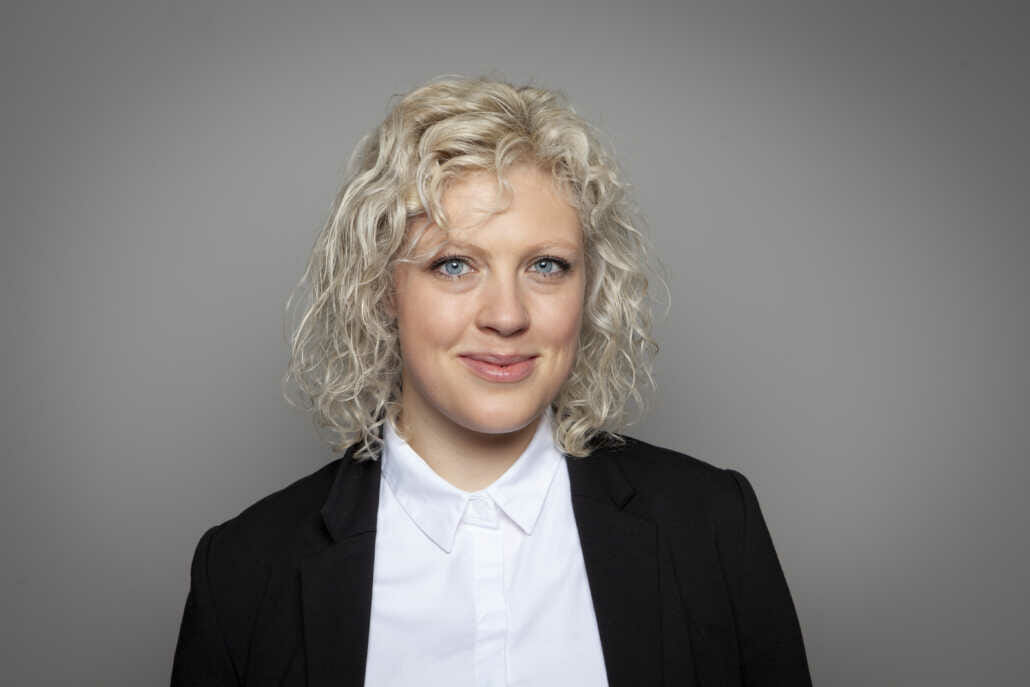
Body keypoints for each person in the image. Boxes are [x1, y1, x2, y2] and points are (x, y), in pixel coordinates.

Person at [171, 75, 812, 686]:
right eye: (455, 265)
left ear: (589, 287)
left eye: (546, 266)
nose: (506, 316)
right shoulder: (242, 572)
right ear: (381, 287)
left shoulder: (713, 527)